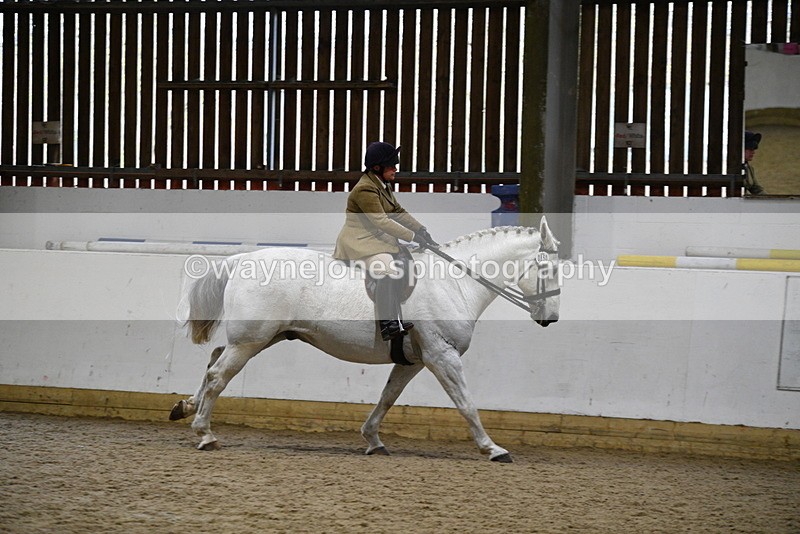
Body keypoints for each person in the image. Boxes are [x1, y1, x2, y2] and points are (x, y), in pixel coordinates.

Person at [333, 142, 439, 341]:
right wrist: (412, 237)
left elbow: (397, 211)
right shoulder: (365, 189)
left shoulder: (382, 185)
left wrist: (421, 230)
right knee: (388, 269)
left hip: (377, 239)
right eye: (391, 166)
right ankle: (387, 324)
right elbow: (381, 221)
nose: (395, 169)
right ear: (377, 167)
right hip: (360, 242)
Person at [743, 130, 765, 195]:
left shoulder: (749, 168)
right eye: (750, 148)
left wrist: (771, 199)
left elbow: (757, 189)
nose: (753, 152)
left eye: (753, 149)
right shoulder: (727, 167)